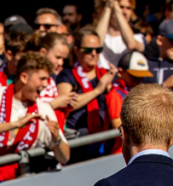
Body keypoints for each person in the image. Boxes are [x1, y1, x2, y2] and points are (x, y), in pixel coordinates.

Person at [0, 52, 71, 186]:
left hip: (17, 182)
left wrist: (57, 139)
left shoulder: (43, 109)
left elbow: (64, 157)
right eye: (42, 79)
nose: (46, 84)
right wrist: (16, 124)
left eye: (48, 79)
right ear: (24, 77)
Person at [58, 28, 119, 159]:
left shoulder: (106, 74)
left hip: (105, 138)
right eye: (88, 50)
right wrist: (98, 89)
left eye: (98, 50)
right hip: (78, 139)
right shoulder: (67, 74)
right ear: (76, 50)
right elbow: (67, 104)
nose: (93, 54)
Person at [106, 51, 154, 152]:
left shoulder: (139, 92)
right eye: (134, 76)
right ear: (120, 72)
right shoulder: (116, 94)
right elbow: (117, 125)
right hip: (121, 151)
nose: (138, 80)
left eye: (141, 77)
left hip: (138, 148)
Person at [95, 0, 147, 66]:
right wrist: (107, 9)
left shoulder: (138, 36)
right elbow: (95, 45)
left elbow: (131, 45)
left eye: (128, 8)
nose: (125, 12)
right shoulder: (100, 33)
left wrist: (117, 11)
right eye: (121, 7)